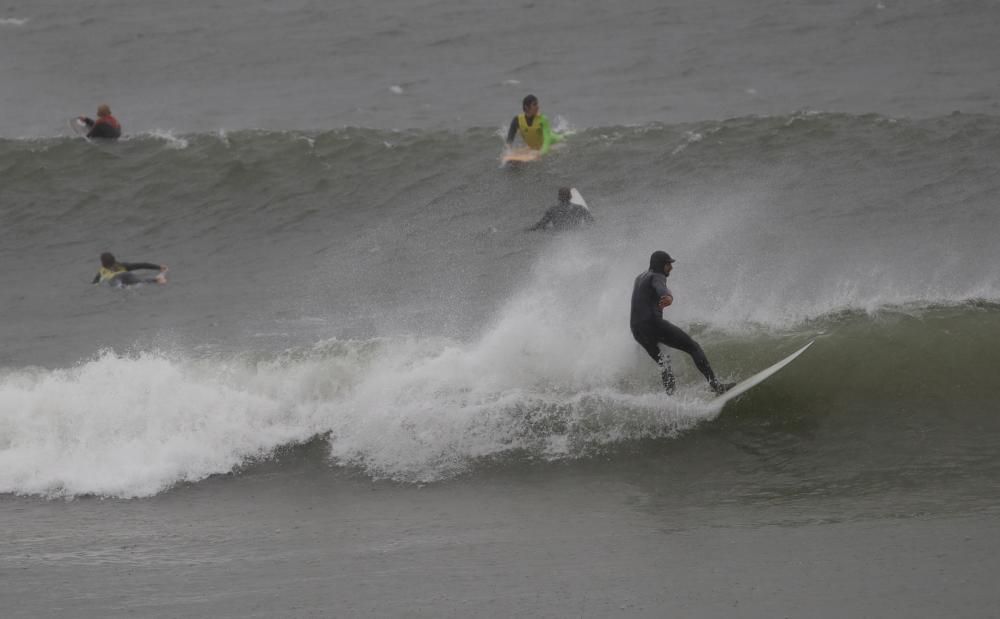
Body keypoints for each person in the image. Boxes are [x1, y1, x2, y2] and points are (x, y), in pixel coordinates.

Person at [630, 251, 731, 395]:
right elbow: (661, 288)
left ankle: (671, 399)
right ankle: (716, 386)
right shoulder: (657, 276)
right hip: (652, 324)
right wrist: (668, 297)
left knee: (664, 362)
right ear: (660, 265)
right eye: (668, 264)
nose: (671, 267)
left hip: (637, 330)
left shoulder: (639, 278)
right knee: (693, 347)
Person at [527, 187, 594, 231]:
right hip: (576, 234)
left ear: (559, 197)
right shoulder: (580, 208)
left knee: (547, 229)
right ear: (570, 197)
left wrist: (528, 229)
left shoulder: (552, 210)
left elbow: (541, 225)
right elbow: (591, 223)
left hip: (559, 236)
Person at [91, 252, 167, 287]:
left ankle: (157, 280)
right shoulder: (122, 265)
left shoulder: (101, 272)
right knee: (141, 281)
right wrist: (158, 267)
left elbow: (95, 284)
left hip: (114, 279)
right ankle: (157, 280)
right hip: (126, 275)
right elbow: (142, 265)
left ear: (102, 263)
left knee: (121, 287)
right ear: (114, 260)